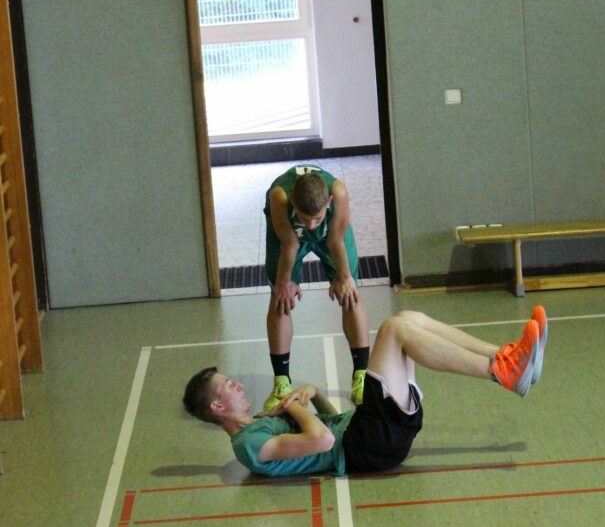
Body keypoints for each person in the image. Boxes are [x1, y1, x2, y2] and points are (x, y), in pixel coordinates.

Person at [183, 306, 548, 478]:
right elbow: (324, 441)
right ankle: (501, 371)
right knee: (393, 330)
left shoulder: (258, 423)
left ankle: (505, 356)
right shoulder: (248, 445)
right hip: (366, 447)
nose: (238, 384)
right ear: (217, 407)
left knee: (407, 319)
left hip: (367, 434)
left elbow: (328, 423)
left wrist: (313, 394)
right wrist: (294, 407)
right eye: (229, 386)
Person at [262, 164, 369, 412]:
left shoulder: (338, 192)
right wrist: (284, 283)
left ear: (328, 202)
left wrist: (344, 277)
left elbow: (335, 239)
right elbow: (289, 244)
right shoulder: (279, 196)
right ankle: (281, 382)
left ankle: (362, 376)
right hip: (289, 238)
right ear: (293, 203)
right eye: (304, 217)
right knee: (280, 299)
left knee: (351, 294)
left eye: (317, 218)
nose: (311, 226)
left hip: (331, 237)